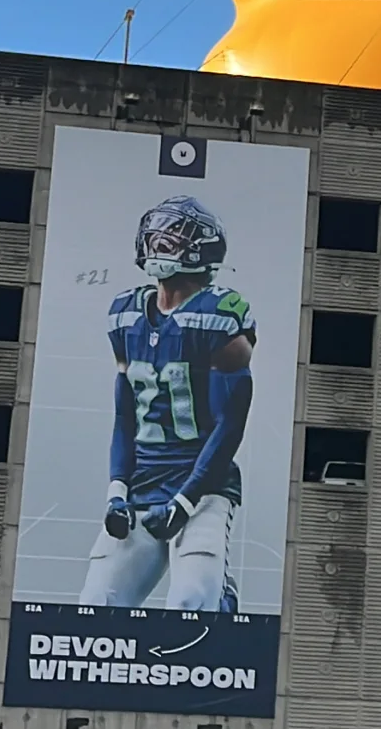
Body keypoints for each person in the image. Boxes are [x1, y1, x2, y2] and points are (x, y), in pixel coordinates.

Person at [80, 195, 254, 612]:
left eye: (175, 236)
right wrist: (116, 492)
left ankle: (222, 596)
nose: (161, 242)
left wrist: (186, 499)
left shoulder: (220, 316)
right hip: (143, 482)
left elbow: (229, 425)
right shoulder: (125, 313)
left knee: (192, 601)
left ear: (204, 248)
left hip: (203, 483)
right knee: (95, 606)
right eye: (157, 234)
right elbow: (125, 417)